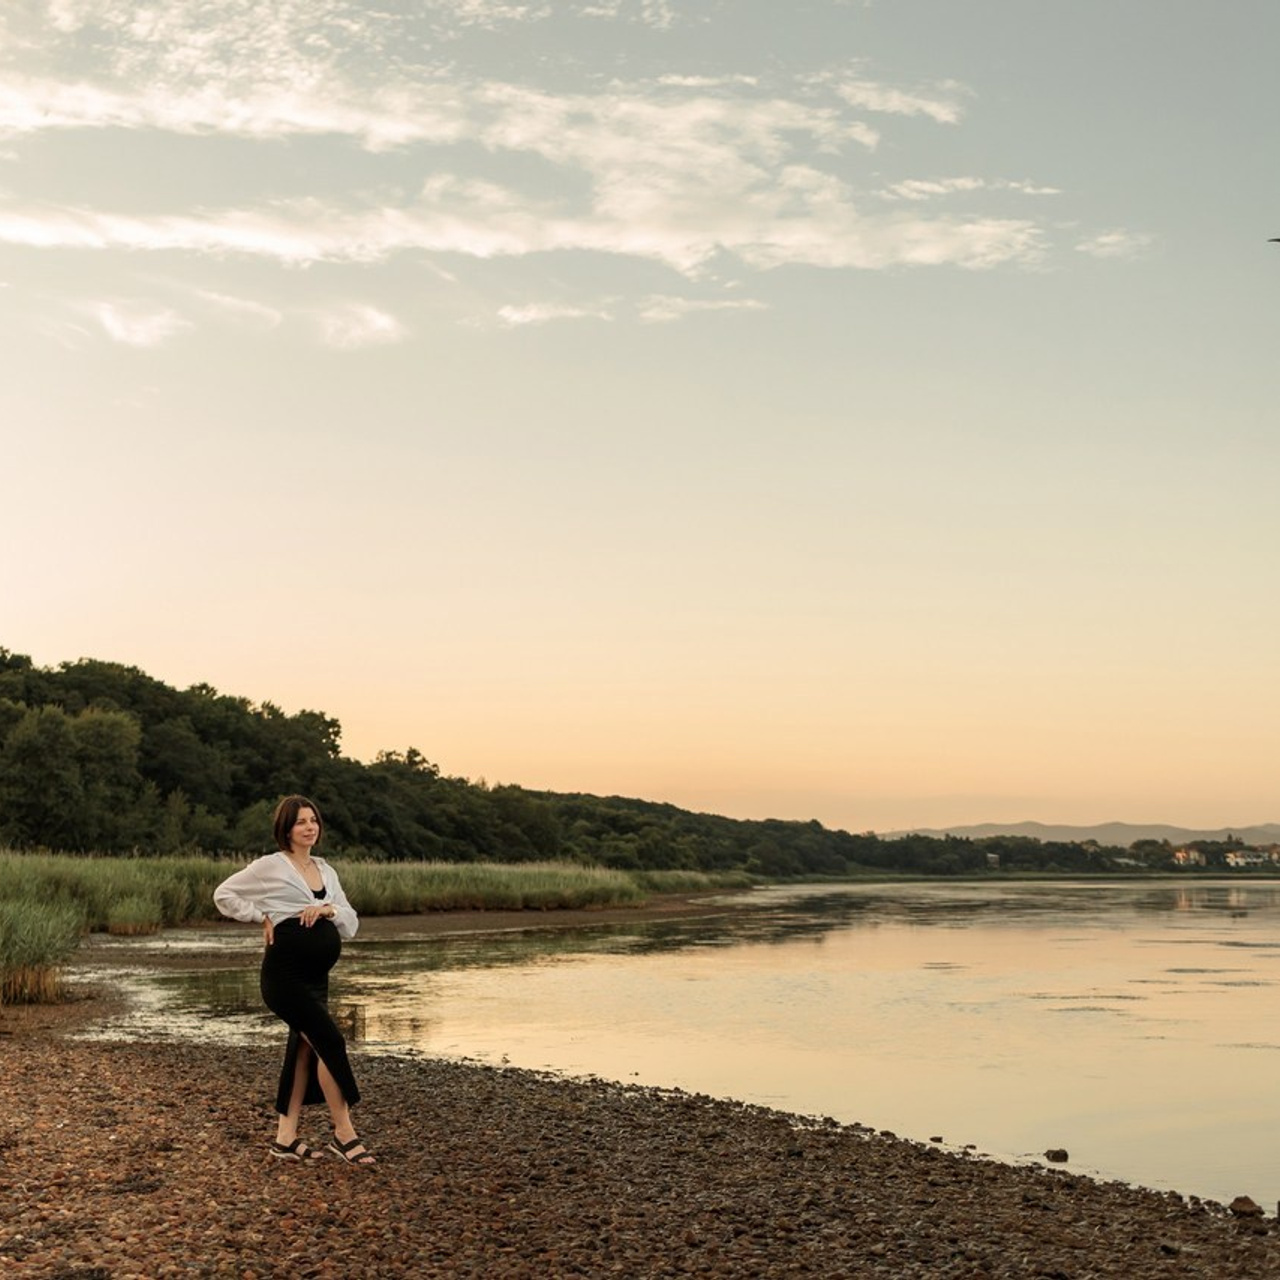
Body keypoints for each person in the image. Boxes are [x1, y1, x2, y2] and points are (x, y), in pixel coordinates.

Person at [214, 794, 376, 1165]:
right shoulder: (270, 866)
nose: (310, 827)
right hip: (285, 976)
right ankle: (343, 1133)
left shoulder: (326, 871)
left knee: (304, 1048)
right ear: (286, 829)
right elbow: (224, 894)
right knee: (330, 1042)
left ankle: (285, 1139)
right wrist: (261, 917)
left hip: (317, 978)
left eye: (314, 820)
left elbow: (350, 921)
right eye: (302, 821)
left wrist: (327, 908)